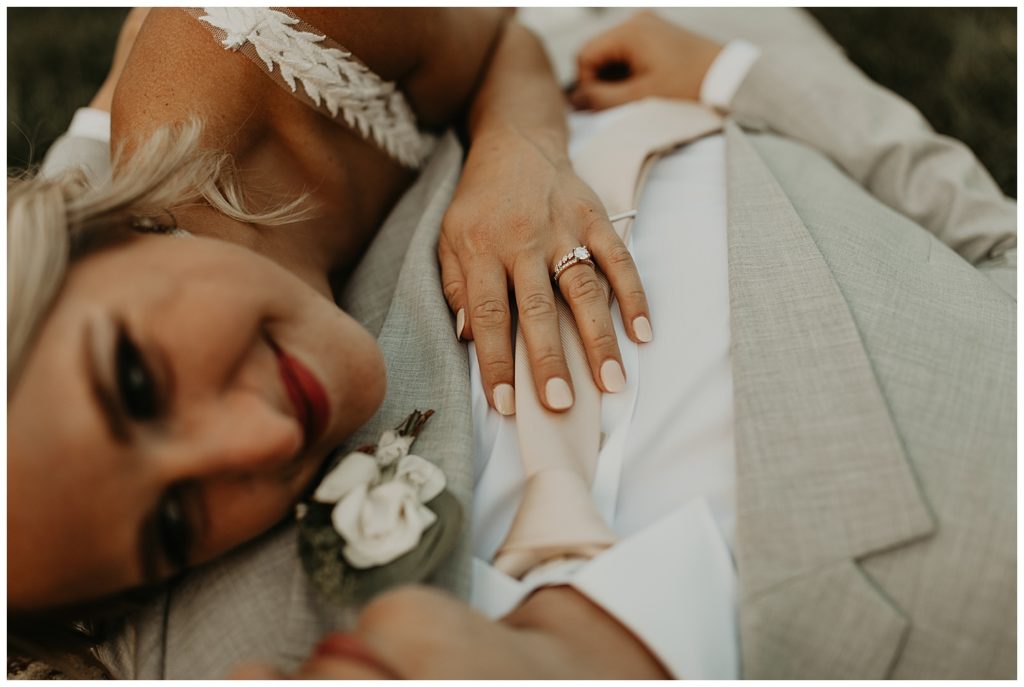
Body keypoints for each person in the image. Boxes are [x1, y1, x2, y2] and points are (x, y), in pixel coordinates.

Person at [15, 7, 1015, 680]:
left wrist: (726, 75)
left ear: (99, 229)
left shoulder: (229, 75)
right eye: (175, 527)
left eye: (137, 382)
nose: (257, 442)